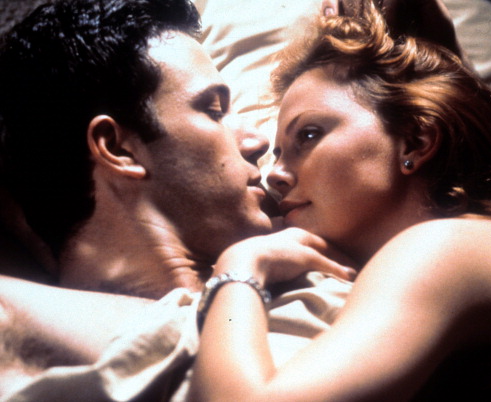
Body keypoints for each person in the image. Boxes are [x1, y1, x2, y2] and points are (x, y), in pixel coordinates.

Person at [192, 3, 491, 400]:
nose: (275, 176)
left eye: (309, 135)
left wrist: (239, 266)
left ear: (416, 141)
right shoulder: (485, 247)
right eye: (278, 154)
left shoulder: (444, 247)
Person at [0, 0, 354, 399]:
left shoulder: (323, 267)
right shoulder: (16, 333)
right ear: (118, 148)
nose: (257, 141)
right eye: (213, 111)